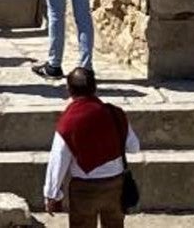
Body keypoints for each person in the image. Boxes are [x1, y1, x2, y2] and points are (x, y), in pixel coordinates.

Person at [44, 67, 140, 228]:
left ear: (69, 90)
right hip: (115, 186)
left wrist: (51, 194)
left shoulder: (68, 122)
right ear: (95, 88)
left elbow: (58, 160)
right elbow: (134, 147)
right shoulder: (115, 113)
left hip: (84, 190)